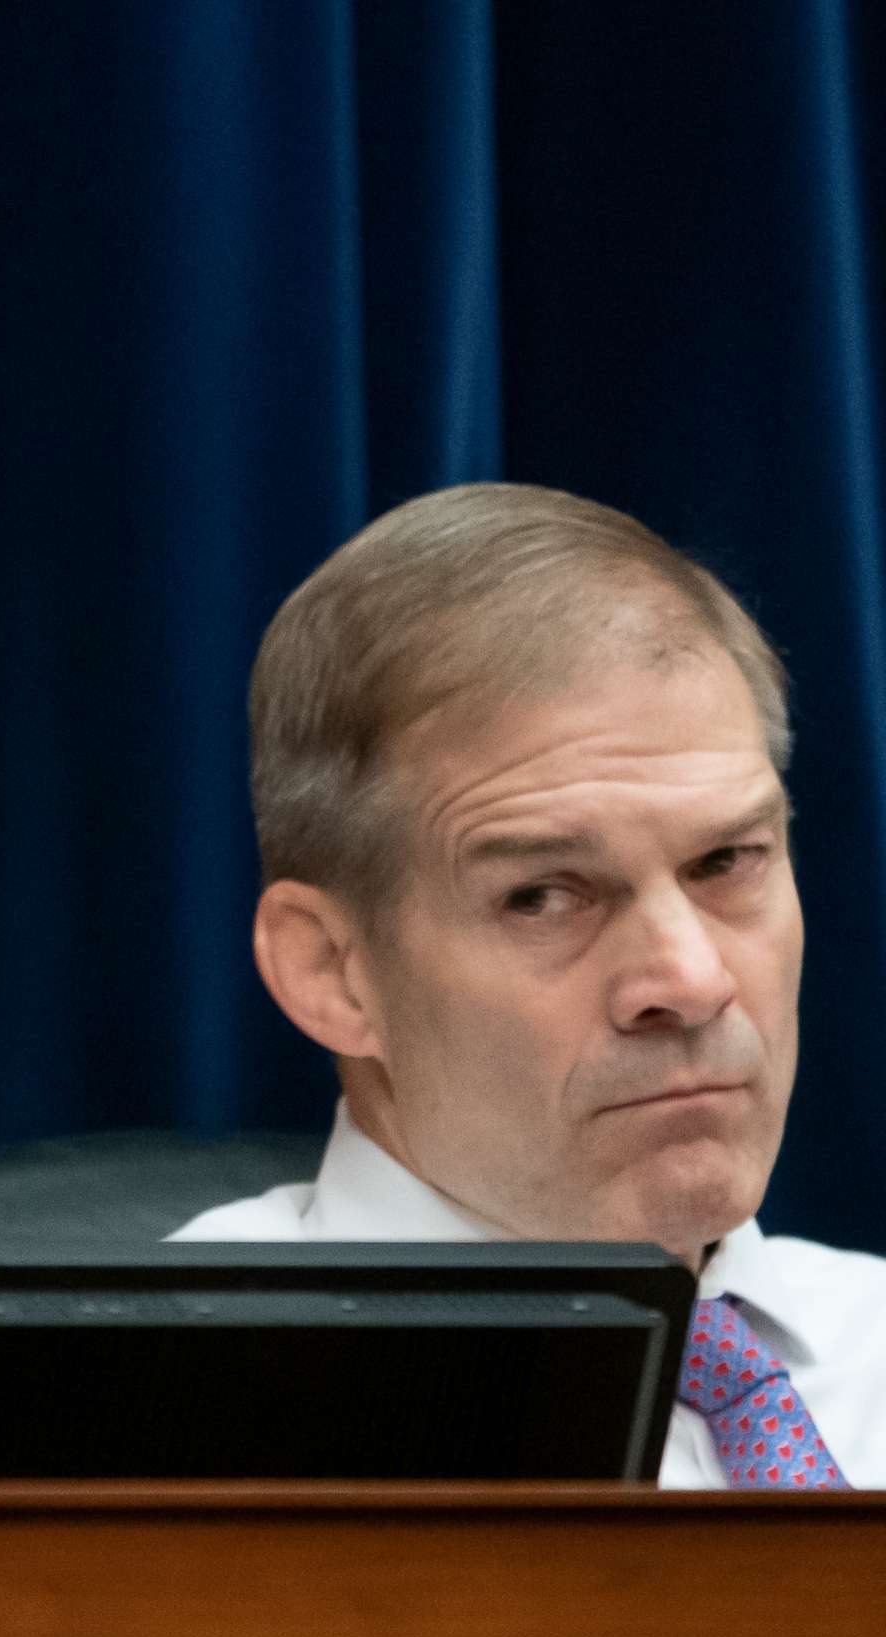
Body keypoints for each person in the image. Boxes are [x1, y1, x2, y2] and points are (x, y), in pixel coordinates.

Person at [176, 481, 886, 1489]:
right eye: (546, 896)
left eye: (727, 861)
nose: (690, 980)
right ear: (331, 971)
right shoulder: (145, 1410)